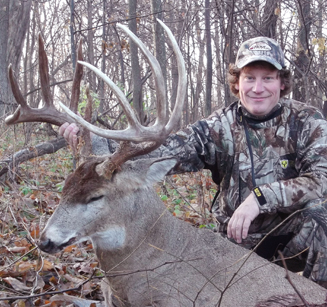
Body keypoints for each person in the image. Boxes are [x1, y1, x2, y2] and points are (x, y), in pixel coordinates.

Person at [59, 37, 327, 287]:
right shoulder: (218, 126)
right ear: (237, 83)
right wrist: (93, 142)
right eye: (249, 78)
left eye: (267, 78)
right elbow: (160, 153)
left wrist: (259, 198)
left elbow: (322, 179)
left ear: (281, 82)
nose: (258, 88)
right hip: (237, 244)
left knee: (323, 218)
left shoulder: (307, 121)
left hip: (293, 239)